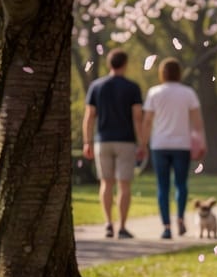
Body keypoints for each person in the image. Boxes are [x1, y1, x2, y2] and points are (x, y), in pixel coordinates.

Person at [82, 50, 146, 239]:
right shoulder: (132, 88)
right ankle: (123, 227)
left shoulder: (96, 86)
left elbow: (89, 117)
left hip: (103, 140)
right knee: (124, 184)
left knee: (106, 183)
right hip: (125, 141)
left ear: (109, 64)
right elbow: (137, 118)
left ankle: (108, 223)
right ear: (124, 64)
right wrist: (142, 142)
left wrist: (87, 141)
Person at [142, 58, 205, 240]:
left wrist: (143, 143)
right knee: (181, 184)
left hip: (159, 145)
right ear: (179, 73)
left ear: (162, 73)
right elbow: (197, 123)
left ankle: (166, 227)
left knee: (162, 186)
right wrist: (201, 143)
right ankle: (179, 218)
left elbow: (147, 121)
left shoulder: (154, 93)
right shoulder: (188, 93)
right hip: (181, 145)